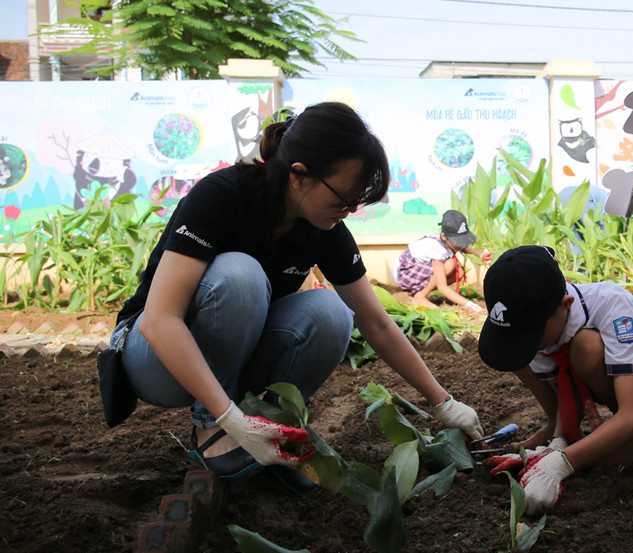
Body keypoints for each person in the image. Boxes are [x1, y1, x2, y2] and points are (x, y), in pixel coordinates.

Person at [108, 102, 484, 485]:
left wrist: (444, 403)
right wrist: (227, 417)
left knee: (331, 311)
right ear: (299, 176)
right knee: (240, 274)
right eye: (343, 197)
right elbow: (160, 320)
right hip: (153, 358)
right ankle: (212, 428)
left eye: (357, 200)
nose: (351, 209)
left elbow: (377, 324)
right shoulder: (222, 195)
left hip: (228, 362)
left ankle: (274, 430)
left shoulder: (323, 228)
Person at [476, 245, 633, 516]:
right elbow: (563, 388)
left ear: (566, 305)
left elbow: (632, 414)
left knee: (585, 346)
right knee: (513, 352)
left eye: (531, 335)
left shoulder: (611, 303)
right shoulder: (541, 324)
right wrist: (556, 443)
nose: (530, 345)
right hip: (580, 376)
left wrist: (560, 465)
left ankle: (629, 439)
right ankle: (559, 431)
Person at [390, 209, 491, 311]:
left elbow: (464, 247)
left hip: (418, 270)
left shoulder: (449, 240)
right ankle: (419, 297)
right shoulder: (436, 248)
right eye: (457, 241)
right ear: (443, 236)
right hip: (405, 273)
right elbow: (442, 287)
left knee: (459, 272)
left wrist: (480, 256)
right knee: (450, 264)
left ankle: (419, 294)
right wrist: (469, 304)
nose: (461, 244)